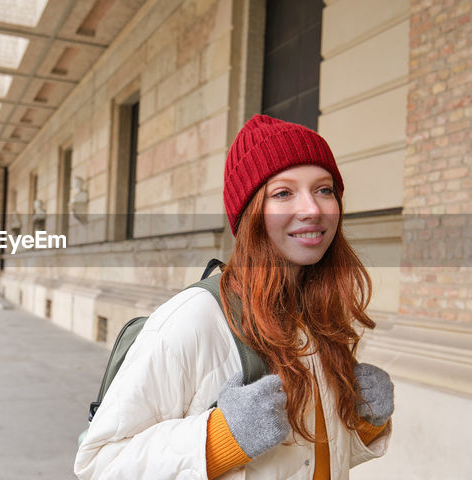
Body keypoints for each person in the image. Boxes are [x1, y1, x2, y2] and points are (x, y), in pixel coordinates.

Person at [75, 114, 393, 479]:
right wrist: (219, 439)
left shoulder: (319, 318)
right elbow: (99, 465)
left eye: (324, 189)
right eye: (283, 193)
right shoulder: (193, 317)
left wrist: (364, 424)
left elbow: (307, 458)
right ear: (249, 214)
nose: (313, 209)